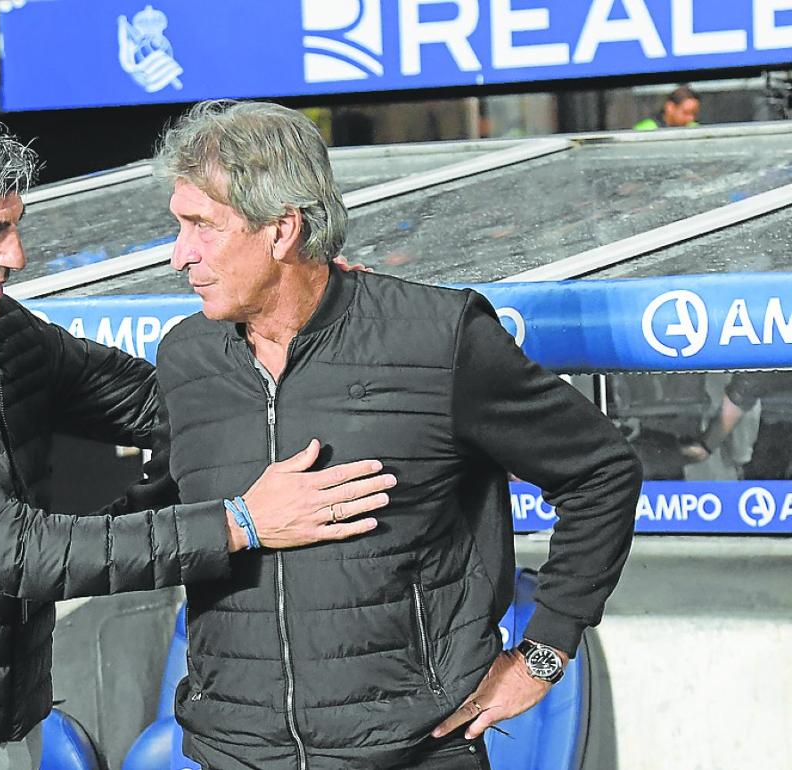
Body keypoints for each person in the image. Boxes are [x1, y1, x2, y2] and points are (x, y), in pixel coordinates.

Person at [0, 109, 397, 769]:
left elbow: (167, 404)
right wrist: (239, 524)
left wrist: (292, 309)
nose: (14, 255)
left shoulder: (1, 332)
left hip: (9, 724)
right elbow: (19, 551)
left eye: (15, 227)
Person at [151, 100, 643, 770]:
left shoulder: (439, 338)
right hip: (230, 754)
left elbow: (601, 471)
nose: (180, 256)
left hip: (415, 753)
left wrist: (544, 654)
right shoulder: (185, 358)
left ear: (281, 231)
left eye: (201, 227)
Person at [634, 84, 700, 130]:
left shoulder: (694, 128)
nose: (691, 118)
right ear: (670, 107)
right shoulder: (645, 130)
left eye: (694, 114)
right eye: (686, 113)